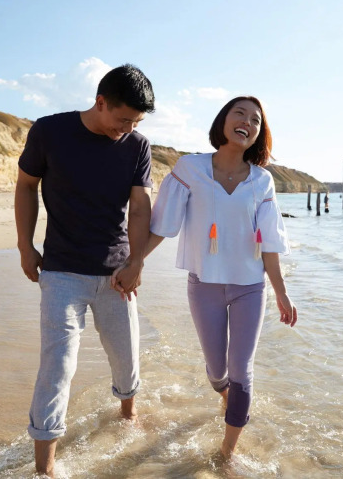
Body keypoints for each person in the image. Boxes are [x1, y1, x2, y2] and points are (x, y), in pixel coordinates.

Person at [130, 96, 297, 460]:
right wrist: (135, 261)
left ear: (259, 133)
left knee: (241, 370)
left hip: (250, 288)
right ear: (223, 120)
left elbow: (270, 242)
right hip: (204, 285)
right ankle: (224, 396)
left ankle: (227, 453)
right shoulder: (190, 168)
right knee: (217, 372)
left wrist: (281, 292)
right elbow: (164, 224)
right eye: (240, 113)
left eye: (255, 120)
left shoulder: (262, 181)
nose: (247, 122)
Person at [14, 64, 155, 477]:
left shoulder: (137, 145)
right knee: (57, 366)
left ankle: (128, 416)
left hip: (116, 274)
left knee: (126, 359)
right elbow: (25, 185)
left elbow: (140, 207)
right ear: (100, 102)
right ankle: (45, 468)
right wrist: (25, 245)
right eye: (123, 119)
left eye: (136, 122)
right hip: (62, 272)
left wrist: (136, 263)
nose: (127, 129)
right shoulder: (49, 131)